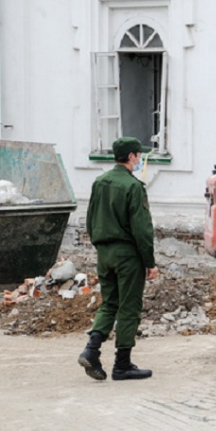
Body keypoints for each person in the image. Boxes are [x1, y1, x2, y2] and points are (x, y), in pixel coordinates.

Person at [78, 137, 159, 381]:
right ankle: (122, 364)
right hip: (127, 255)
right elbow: (142, 229)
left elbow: (90, 219)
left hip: (104, 253)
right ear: (132, 156)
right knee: (129, 306)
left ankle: (91, 350)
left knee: (110, 303)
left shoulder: (100, 182)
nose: (140, 159)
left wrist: (101, 246)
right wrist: (149, 262)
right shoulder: (133, 186)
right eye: (139, 155)